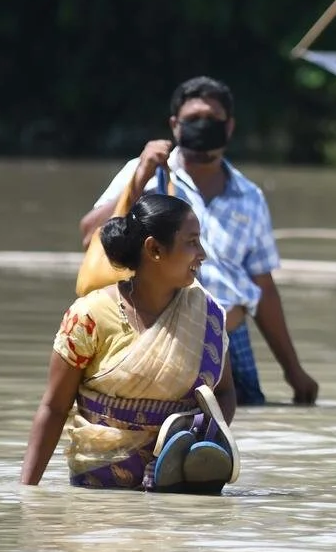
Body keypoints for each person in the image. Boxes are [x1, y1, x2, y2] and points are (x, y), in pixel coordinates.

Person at [79, 76, 317, 408]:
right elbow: (91, 235)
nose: (203, 127)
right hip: (156, 335)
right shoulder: (146, 173)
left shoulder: (249, 196)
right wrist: (142, 176)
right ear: (174, 125)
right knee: (154, 431)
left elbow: (263, 285)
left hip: (231, 340)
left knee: (241, 431)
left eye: (212, 120)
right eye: (193, 120)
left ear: (229, 126)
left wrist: (293, 370)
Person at [22, 194, 238, 490]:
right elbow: (54, 409)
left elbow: (224, 393)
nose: (202, 253)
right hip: (99, 497)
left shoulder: (206, 314)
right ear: (155, 249)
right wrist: (26, 494)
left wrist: (201, 444)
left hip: (177, 494)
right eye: (191, 242)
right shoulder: (89, 316)